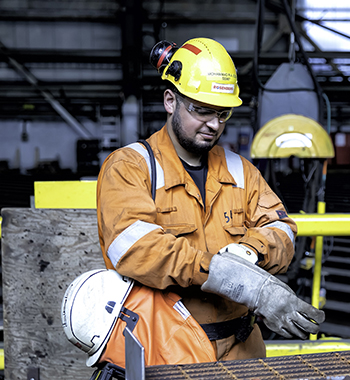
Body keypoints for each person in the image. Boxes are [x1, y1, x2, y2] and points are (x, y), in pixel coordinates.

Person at [96, 37, 324, 365]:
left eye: (222, 114)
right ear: (170, 101)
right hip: (167, 349)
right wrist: (227, 274)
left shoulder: (240, 170)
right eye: (201, 111)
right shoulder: (131, 167)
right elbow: (135, 250)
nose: (214, 125)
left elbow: (282, 230)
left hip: (244, 349)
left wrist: (250, 252)